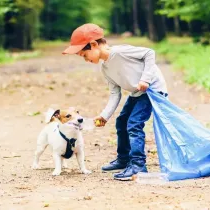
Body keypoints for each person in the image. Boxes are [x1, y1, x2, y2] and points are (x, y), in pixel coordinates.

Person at [62, 23, 168, 181]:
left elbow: (149, 53)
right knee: (121, 121)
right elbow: (114, 94)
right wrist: (104, 116)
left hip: (152, 90)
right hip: (137, 93)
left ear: (93, 44)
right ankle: (124, 159)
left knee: (134, 124)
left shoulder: (119, 52)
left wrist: (145, 78)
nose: (85, 60)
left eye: (85, 55)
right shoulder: (105, 69)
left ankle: (138, 166)